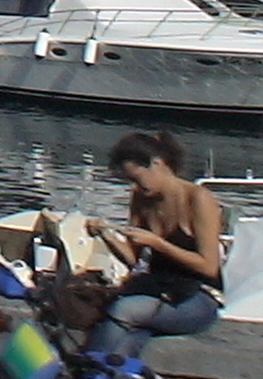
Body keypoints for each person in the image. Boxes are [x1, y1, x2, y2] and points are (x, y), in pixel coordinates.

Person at [85, 131, 223, 359]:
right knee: (126, 339)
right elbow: (133, 259)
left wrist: (158, 244)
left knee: (124, 309)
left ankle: (88, 368)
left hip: (198, 298)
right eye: (130, 181)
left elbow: (209, 267)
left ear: (157, 163)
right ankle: (108, 373)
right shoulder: (141, 199)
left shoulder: (198, 198)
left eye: (137, 179)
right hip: (159, 291)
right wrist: (106, 235)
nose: (136, 187)